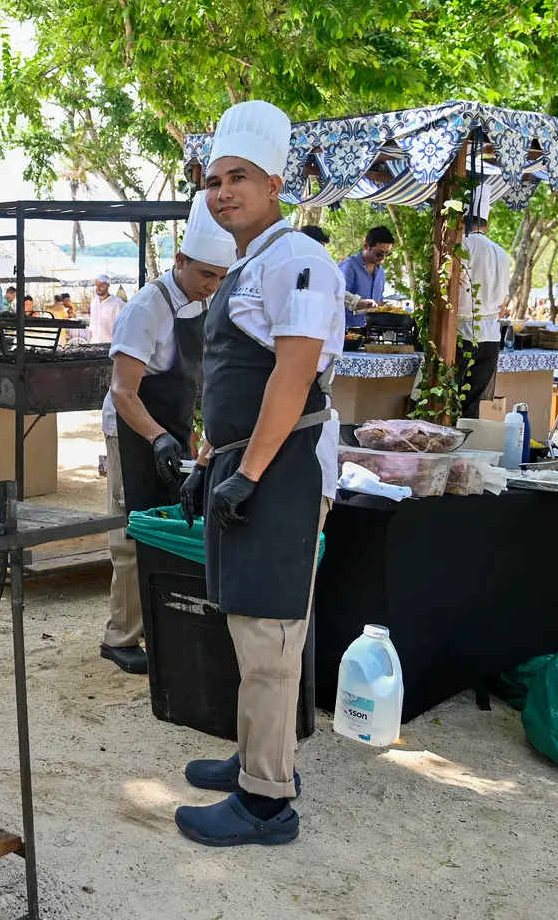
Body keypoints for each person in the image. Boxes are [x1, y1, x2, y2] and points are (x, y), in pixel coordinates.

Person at [176, 100, 344, 847]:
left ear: (275, 184)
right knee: (244, 623)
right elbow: (232, 380)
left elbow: (292, 377)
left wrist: (247, 472)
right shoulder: (249, 263)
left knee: (270, 635)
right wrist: (209, 460)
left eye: (238, 178)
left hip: (283, 468)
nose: (222, 193)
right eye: (214, 181)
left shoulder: (300, 258)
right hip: (243, 461)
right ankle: (255, 756)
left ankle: (267, 801)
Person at [100, 192, 234, 674]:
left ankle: (161, 627)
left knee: (171, 525)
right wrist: (157, 437)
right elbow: (123, 391)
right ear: (179, 260)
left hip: (171, 430)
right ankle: (120, 637)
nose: (212, 285)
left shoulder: (203, 303)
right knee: (131, 531)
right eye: (205, 275)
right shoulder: (145, 309)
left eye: (219, 277)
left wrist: (194, 435)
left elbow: (198, 378)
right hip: (131, 430)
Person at [458, 187, 511, 419]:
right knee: (471, 404)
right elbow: (503, 305)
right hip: (491, 337)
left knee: (448, 401)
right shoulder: (502, 253)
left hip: (464, 334)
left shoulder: (463, 245)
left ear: (462, 222)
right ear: (486, 225)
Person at [303, 224, 375, 316]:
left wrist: (357, 302)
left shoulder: (320, 268)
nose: (321, 255)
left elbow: (335, 290)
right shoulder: (290, 265)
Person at [339, 225, 394, 328]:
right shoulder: (349, 266)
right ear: (366, 246)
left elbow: (377, 302)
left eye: (387, 254)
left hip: (372, 331)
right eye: (379, 254)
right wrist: (359, 303)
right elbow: (338, 295)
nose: (383, 258)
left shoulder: (381, 272)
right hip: (347, 331)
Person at [89, 273, 125, 343]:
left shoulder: (117, 303)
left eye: (101, 285)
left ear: (108, 285)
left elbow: (122, 326)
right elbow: (92, 325)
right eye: (96, 285)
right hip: (94, 343)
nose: (98, 287)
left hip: (110, 343)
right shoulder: (93, 302)